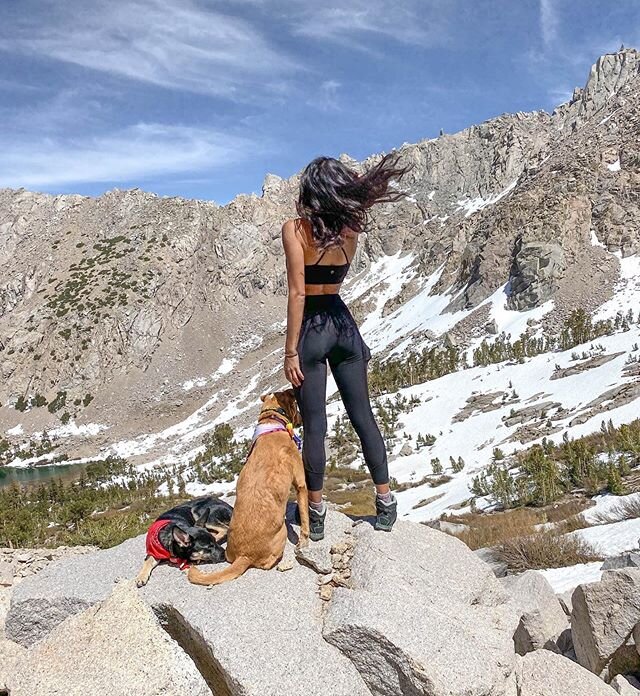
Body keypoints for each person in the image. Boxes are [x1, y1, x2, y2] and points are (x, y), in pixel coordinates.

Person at [281, 153, 410, 540]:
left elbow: (297, 292)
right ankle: (385, 502)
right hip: (344, 324)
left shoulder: (295, 230)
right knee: (363, 416)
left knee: (316, 425)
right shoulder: (351, 231)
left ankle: (316, 513)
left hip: (313, 329)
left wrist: (290, 352)